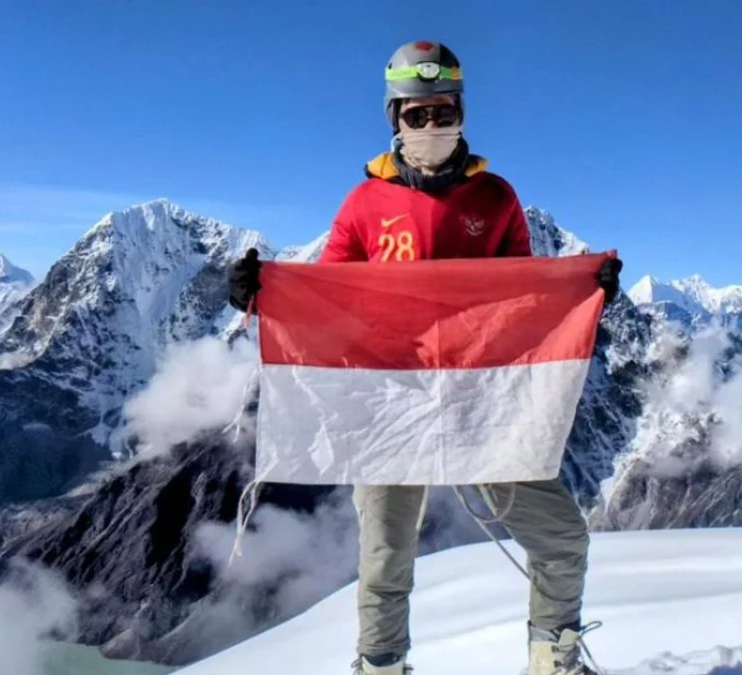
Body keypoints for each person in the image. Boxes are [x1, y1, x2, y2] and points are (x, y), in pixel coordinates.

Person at [228, 40, 621, 675]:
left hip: (483, 400)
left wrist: (583, 290)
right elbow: (332, 300)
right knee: (386, 557)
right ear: (395, 120)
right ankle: (382, 666)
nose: (432, 126)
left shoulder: (495, 198)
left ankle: (555, 659)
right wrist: (264, 295)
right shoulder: (363, 206)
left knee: (562, 539)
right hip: (391, 401)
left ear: (462, 112)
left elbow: (522, 293)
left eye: (443, 112)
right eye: (418, 115)